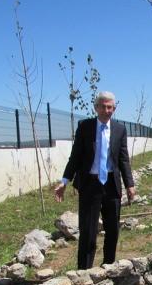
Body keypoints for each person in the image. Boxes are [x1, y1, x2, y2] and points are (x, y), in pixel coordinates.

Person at [55, 91, 136, 269]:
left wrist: (129, 184)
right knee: (88, 232)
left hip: (112, 185)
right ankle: (84, 272)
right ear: (96, 107)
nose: (107, 111)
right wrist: (65, 181)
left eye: (110, 107)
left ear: (114, 108)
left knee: (113, 230)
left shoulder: (120, 129)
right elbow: (75, 156)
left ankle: (109, 268)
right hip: (89, 185)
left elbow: (123, 159)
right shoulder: (85, 127)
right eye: (103, 107)